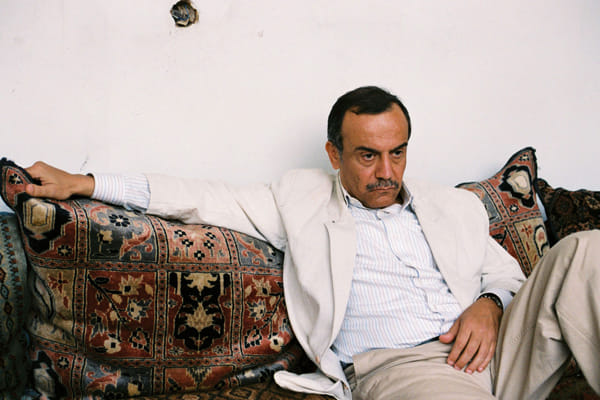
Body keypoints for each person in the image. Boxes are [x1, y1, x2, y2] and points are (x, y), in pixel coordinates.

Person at [24, 86, 600, 400]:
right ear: (334, 154)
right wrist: (87, 183)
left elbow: (506, 274)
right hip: (408, 369)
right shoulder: (299, 200)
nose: (386, 171)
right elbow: (200, 197)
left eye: (397, 152)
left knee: (586, 250)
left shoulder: (452, 204)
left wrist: (490, 304)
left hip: (504, 349)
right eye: (367, 155)